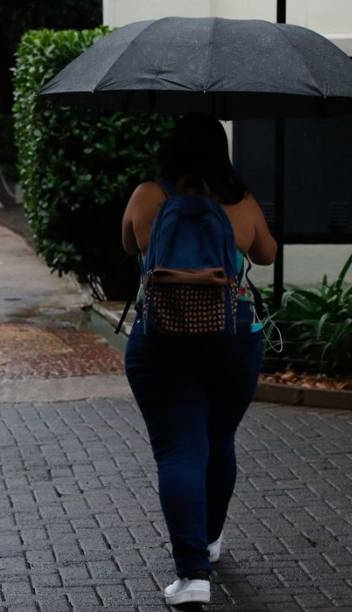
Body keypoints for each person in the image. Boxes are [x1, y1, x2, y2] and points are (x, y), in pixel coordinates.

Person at [121, 114, 277, 606]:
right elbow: (268, 255)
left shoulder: (149, 195)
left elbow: (129, 245)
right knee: (218, 438)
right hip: (231, 339)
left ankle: (192, 577)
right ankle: (208, 541)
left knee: (178, 449)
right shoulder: (241, 202)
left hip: (161, 337)